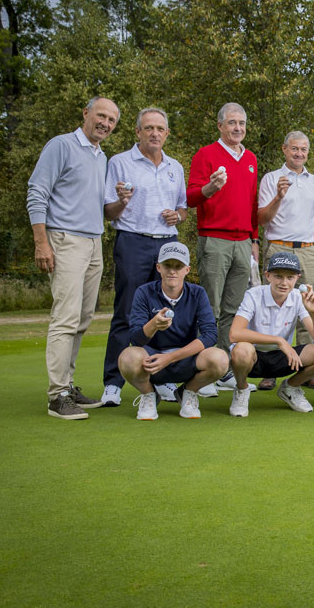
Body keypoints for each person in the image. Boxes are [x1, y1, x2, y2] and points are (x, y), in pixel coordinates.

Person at [27, 97, 119, 420]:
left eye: (111, 120)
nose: (105, 123)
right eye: (101, 115)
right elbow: (37, 192)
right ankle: (57, 396)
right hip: (65, 239)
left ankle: (67, 385)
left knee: (82, 318)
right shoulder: (61, 146)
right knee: (65, 317)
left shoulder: (101, 156)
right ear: (86, 113)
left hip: (94, 242)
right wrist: (41, 242)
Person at [100, 108, 188, 407]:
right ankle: (113, 383)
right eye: (148, 128)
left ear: (167, 133)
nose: (154, 133)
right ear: (138, 132)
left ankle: (161, 379)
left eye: (160, 129)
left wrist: (178, 216)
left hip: (167, 244)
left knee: (165, 313)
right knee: (126, 312)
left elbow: (183, 209)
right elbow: (108, 211)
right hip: (133, 241)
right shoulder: (120, 162)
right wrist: (122, 201)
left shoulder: (175, 166)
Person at [186, 102, 259, 394]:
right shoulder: (206, 155)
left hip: (243, 241)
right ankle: (203, 369)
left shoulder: (250, 158)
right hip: (215, 239)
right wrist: (210, 188)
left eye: (241, 123)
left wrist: (254, 239)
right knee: (210, 308)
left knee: (232, 310)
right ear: (220, 126)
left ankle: (224, 368)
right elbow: (191, 197)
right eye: (232, 122)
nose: (237, 128)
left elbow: (252, 203)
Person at [118, 242, 229, 421]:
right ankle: (149, 395)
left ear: (187, 270)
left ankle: (187, 392)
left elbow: (210, 335)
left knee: (220, 359)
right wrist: (153, 324)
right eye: (168, 265)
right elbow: (135, 339)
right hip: (152, 361)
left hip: (185, 359)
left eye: (178, 266)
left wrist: (170, 358)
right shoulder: (144, 292)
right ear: (159, 268)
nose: (172, 271)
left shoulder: (197, 293)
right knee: (128, 357)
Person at [256, 130, 314, 389]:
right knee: (272, 308)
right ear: (284, 149)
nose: (299, 153)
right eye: (294, 148)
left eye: (303, 149)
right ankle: (270, 369)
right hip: (278, 247)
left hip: (308, 249)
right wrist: (279, 196)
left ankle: (306, 370)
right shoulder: (271, 179)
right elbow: (262, 219)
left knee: (307, 308)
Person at [226, 252, 314, 417]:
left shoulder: (298, 297)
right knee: (241, 350)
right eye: (278, 276)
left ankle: (290, 387)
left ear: (297, 278)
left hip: (282, 358)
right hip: (254, 357)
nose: (284, 283)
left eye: (290, 277)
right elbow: (235, 333)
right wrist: (279, 341)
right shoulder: (254, 294)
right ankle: (241, 389)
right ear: (267, 276)